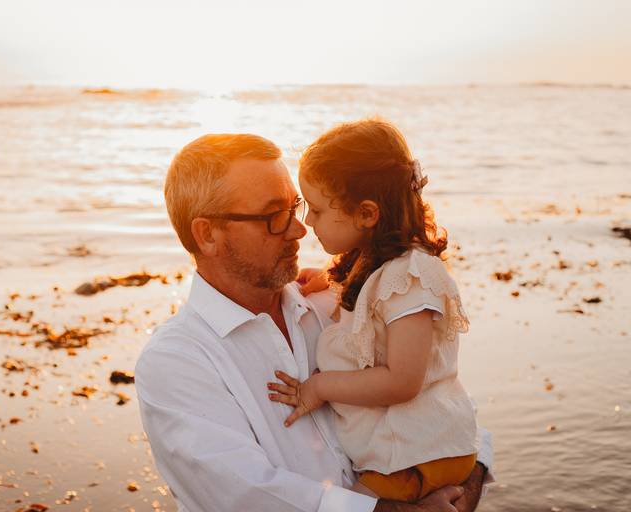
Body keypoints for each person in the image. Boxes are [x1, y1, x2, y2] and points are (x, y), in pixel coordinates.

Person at [134, 133, 493, 512]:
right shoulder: (175, 363)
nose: (299, 230)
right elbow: (247, 497)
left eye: (297, 206)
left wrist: (464, 492)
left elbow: (440, 399)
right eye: (274, 216)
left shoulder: (337, 303)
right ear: (207, 235)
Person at [268, 119, 477, 503]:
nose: (306, 222)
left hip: (415, 455)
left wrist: (319, 387)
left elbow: (403, 380)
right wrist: (334, 280)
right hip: (413, 452)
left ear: (366, 214)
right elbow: (372, 316)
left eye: (315, 209)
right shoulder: (380, 266)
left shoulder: (411, 276)